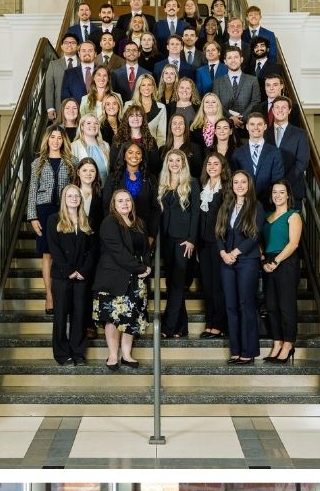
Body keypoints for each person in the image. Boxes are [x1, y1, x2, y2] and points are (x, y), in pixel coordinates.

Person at [93, 189, 151, 370]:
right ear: (114, 204)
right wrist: (141, 268)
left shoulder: (139, 222)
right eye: (120, 201)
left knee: (131, 318)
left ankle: (126, 354)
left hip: (135, 279)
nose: (125, 203)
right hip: (113, 278)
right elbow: (118, 252)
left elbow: (145, 249)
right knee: (112, 318)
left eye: (127, 200)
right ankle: (112, 355)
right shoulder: (109, 222)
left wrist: (147, 267)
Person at [46, 181, 95, 366]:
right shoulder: (54, 219)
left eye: (77, 196)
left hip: (82, 277)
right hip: (61, 275)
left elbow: (92, 250)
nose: (74, 198)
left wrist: (83, 271)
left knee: (80, 315)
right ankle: (61, 353)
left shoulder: (87, 220)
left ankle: (78, 352)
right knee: (60, 316)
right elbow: (54, 248)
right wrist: (69, 271)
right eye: (70, 196)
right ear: (64, 199)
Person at [218, 168, 264, 362]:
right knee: (230, 306)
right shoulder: (226, 206)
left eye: (243, 182)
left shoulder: (256, 206)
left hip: (247, 260)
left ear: (249, 185)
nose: (239, 185)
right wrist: (222, 252)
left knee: (246, 304)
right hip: (226, 261)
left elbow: (254, 234)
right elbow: (218, 232)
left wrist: (235, 253)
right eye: (236, 182)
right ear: (232, 185)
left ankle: (248, 351)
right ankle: (235, 350)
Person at [27, 124, 73, 316]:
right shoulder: (37, 163)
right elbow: (32, 191)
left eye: (59, 137)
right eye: (52, 137)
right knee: (48, 255)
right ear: (47, 139)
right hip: (44, 211)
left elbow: (74, 189)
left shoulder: (72, 162)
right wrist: (32, 216)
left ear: (64, 141)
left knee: (65, 252)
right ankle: (49, 295)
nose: (56, 141)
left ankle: (64, 294)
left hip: (64, 210)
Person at [158, 151, 200, 338]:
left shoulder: (192, 183)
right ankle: (181, 328)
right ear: (167, 163)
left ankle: (168, 326)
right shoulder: (162, 184)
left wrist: (192, 239)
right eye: (171, 160)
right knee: (172, 281)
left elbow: (196, 213)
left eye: (178, 160)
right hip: (166, 239)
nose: (174, 163)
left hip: (184, 239)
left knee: (177, 283)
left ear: (183, 163)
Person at [261, 178, 302, 362]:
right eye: (274, 192)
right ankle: (277, 342)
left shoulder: (293, 215)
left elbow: (293, 244)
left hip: (285, 261)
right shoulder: (266, 217)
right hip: (268, 262)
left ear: (288, 195)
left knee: (286, 305)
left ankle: (288, 343)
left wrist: (276, 261)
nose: (277, 195)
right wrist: (263, 259)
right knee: (271, 306)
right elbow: (261, 242)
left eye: (281, 192)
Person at [198, 152, 232, 336]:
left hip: (219, 242)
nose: (212, 166)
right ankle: (210, 322)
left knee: (218, 285)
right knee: (207, 285)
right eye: (209, 163)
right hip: (203, 243)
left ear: (222, 167)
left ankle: (219, 324)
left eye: (216, 163)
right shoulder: (202, 187)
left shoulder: (226, 188)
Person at [102, 142, 158, 243]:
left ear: (142, 157)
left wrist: (151, 235)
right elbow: (106, 206)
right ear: (124, 156)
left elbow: (156, 209)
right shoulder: (112, 178)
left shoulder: (151, 179)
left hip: (143, 232)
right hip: (118, 231)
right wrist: (112, 230)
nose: (134, 156)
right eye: (130, 152)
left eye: (138, 153)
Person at [231, 108, 284, 204]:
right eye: (252, 124)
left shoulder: (275, 152)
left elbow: (277, 180)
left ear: (265, 127)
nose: (256, 128)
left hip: (268, 204)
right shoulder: (238, 153)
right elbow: (234, 179)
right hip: (244, 203)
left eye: (259, 124)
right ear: (247, 127)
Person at [269, 95, 310, 201]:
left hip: (293, 189)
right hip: (268, 191)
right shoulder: (264, 133)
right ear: (272, 110)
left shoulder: (300, 134)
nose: (280, 110)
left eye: (284, 107)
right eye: (277, 107)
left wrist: (284, 183)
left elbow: (302, 162)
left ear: (289, 110)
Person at [214, 45, 261, 129]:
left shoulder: (253, 80)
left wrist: (241, 117)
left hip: (247, 126)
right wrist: (231, 118)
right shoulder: (217, 82)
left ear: (241, 59)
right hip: (225, 126)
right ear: (225, 61)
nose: (233, 60)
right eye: (229, 58)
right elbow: (217, 103)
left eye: (236, 57)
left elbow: (255, 101)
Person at [45, 32, 79, 119]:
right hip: (59, 108)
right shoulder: (53, 64)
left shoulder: (83, 64)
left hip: (80, 107)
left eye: (73, 42)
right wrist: (50, 108)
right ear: (62, 46)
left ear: (78, 47)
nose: (69, 45)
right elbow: (49, 87)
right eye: (66, 43)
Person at [132, 71, 166, 146]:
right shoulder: (129, 106)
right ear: (139, 88)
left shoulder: (161, 107)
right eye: (143, 85)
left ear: (153, 87)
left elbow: (161, 136)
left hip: (152, 148)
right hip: (132, 148)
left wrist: (158, 152)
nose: (146, 88)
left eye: (149, 85)